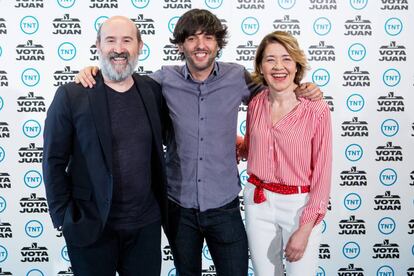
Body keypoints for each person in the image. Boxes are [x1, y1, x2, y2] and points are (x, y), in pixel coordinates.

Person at [75, 9, 322, 276]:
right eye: (192, 38)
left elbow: (276, 93)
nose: (200, 45)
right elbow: (123, 83)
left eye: (208, 37)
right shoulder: (163, 80)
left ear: (218, 43)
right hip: (178, 207)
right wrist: (94, 71)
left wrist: (303, 88)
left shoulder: (237, 77)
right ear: (181, 45)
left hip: (225, 206)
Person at [42, 16, 168, 276]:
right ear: (98, 46)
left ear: (140, 46)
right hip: (91, 227)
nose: (118, 48)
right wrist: (63, 217)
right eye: (110, 40)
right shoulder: (72, 95)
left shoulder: (152, 90)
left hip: (145, 228)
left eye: (127, 40)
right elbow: (53, 160)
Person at [237, 31, 332, 276]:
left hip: (299, 206)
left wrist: (306, 227)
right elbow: (251, 147)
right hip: (258, 201)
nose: (278, 66)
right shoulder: (256, 103)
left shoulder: (316, 109)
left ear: (296, 64)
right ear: (260, 65)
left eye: (286, 59)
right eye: (270, 59)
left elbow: (322, 175)